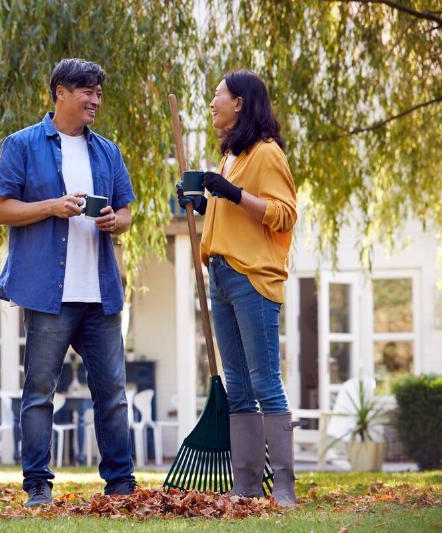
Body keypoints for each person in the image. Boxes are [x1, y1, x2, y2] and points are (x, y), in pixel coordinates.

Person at [0, 58, 136, 508]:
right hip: (48, 296)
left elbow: (127, 212)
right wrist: (51, 207)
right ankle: (38, 485)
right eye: (87, 92)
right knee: (39, 394)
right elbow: (0, 210)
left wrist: (115, 221)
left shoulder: (108, 151)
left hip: (100, 293)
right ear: (61, 93)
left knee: (112, 395)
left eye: (99, 93)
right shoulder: (22, 145)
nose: (95, 101)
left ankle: (121, 485)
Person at [176, 70, 298, 506]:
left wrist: (232, 192)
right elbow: (234, 216)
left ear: (240, 103)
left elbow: (284, 214)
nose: (212, 103)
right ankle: (245, 486)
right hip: (221, 275)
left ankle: (283, 485)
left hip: (252, 278)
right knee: (239, 387)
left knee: (265, 381)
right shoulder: (230, 155)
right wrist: (203, 205)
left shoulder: (267, 153)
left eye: (219, 95)